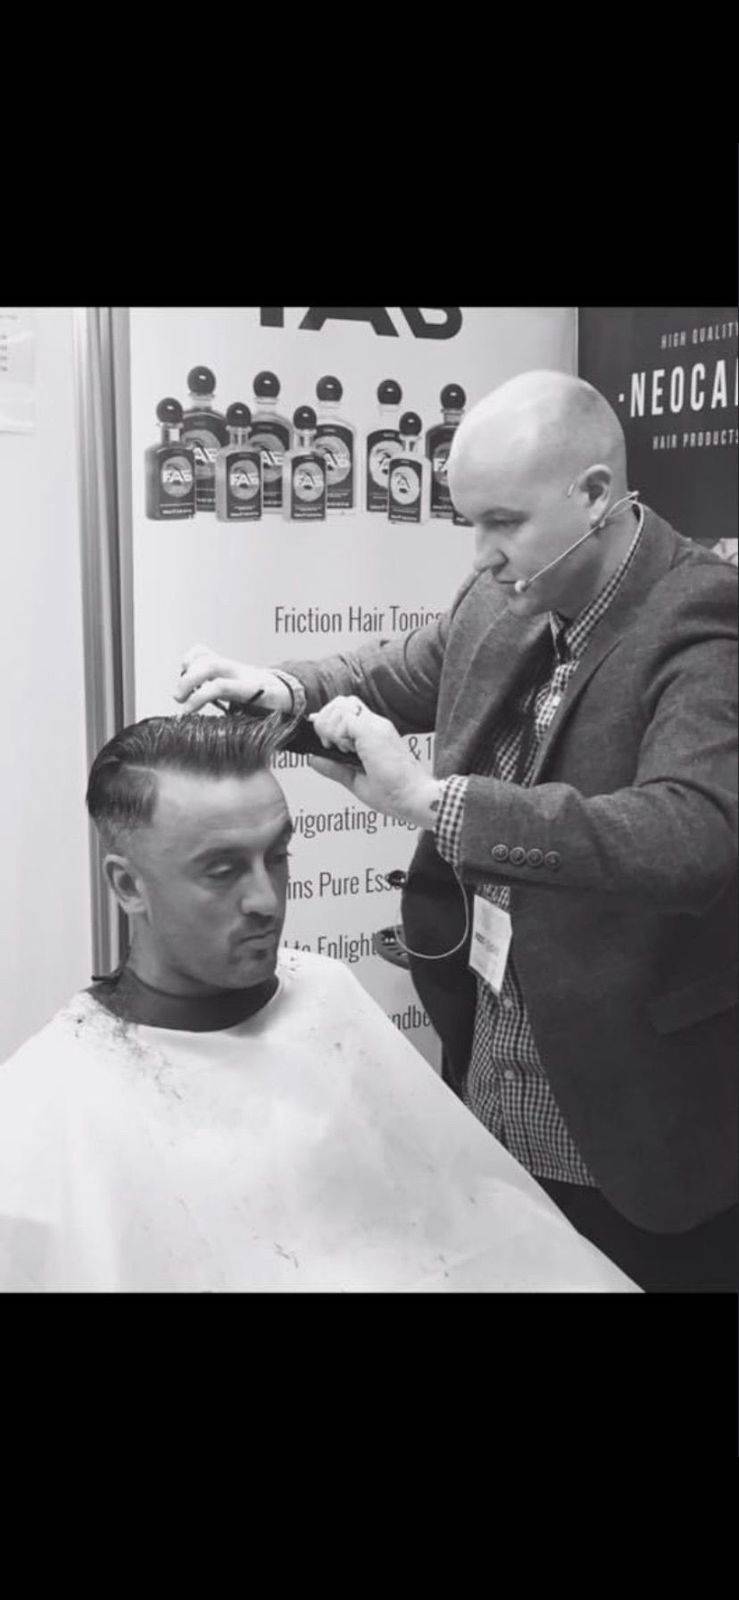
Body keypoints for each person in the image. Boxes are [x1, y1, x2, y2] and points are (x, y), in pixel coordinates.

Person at [174, 369, 738, 1293]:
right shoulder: (504, 594)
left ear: (594, 495)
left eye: (502, 523)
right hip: (493, 1082)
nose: (481, 556)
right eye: (470, 523)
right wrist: (283, 688)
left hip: (630, 1114)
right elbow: (395, 670)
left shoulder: (705, 612)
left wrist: (434, 804)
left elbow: (689, 834)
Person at [0, 710, 634, 1293]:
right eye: (222, 871)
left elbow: (485, 1234)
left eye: (277, 856)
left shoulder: (323, 989)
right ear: (127, 885)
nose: (266, 900)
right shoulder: (50, 1098)